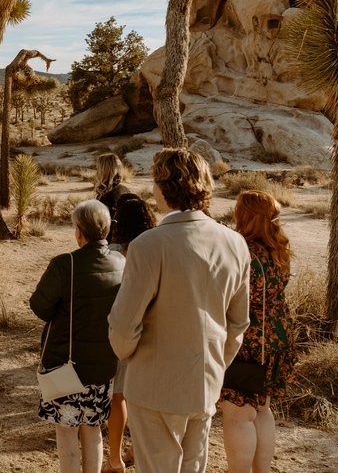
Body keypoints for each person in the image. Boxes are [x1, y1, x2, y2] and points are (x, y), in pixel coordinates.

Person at [108, 148, 250, 473]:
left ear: (162, 186)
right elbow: (238, 323)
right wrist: (216, 361)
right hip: (206, 381)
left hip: (153, 384)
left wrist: (130, 355)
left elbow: (122, 326)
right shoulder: (234, 243)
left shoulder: (148, 245)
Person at [30, 200, 125, 473]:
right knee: (94, 429)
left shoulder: (65, 264)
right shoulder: (121, 262)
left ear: (79, 231)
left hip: (66, 364)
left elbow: (40, 307)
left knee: (67, 432)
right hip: (104, 364)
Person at [220, 190, 298, 473]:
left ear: (245, 216)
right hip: (278, 336)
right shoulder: (279, 249)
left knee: (238, 414)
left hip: (248, 341)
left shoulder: (242, 252)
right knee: (262, 409)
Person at [104, 193, 156, 472]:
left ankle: (115, 459)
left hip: (124, 329)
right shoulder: (157, 248)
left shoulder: (115, 253)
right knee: (142, 398)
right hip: (153, 331)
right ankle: (136, 448)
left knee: (118, 397)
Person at [94, 153, 130, 219]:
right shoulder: (125, 189)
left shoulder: (105, 197)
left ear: (103, 171)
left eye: (98, 168)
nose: (96, 172)